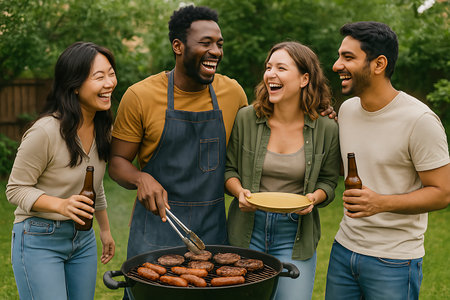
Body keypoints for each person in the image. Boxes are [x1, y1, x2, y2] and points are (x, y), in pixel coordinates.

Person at [325, 21, 450, 300]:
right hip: (344, 250)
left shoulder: (420, 121)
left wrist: (381, 203)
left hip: (394, 261)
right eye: (339, 56)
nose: (336, 65)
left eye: (348, 57)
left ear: (379, 63)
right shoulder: (347, 110)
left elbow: (443, 193)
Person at [225, 41, 340, 300]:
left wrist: (315, 198)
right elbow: (229, 169)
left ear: (304, 78)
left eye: (281, 68)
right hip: (247, 230)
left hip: (295, 234)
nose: (270, 74)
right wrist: (239, 191)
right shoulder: (246, 118)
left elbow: (329, 182)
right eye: (268, 67)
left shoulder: (326, 128)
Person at [6, 42, 116, 299]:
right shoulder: (44, 132)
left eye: (111, 73)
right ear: (75, 85)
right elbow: (15, 189)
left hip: (83, 240)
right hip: (38, 238)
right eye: (99, 77)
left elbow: (94, 183)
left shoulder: (103, 129)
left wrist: (105, 230)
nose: (109, 82)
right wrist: (61, 205)